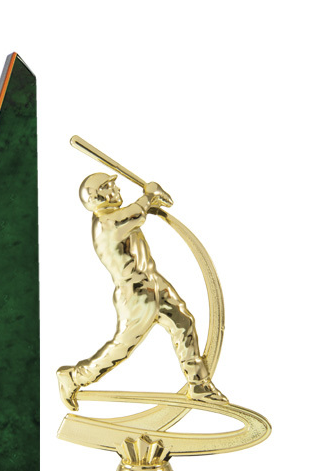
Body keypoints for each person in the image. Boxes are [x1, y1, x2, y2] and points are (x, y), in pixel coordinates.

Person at [57, 172, 227, 411]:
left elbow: (138, 212)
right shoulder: (107, 223)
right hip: (135, 294)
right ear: (97, 198)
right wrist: (149, 195)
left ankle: (198, 385)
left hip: (154, 282)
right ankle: (74, 377)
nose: (116, 189)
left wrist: (150, 196)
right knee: (121, 348)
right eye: (109, 187)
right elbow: (137, 213)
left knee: (184, 322)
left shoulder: (115, 217)